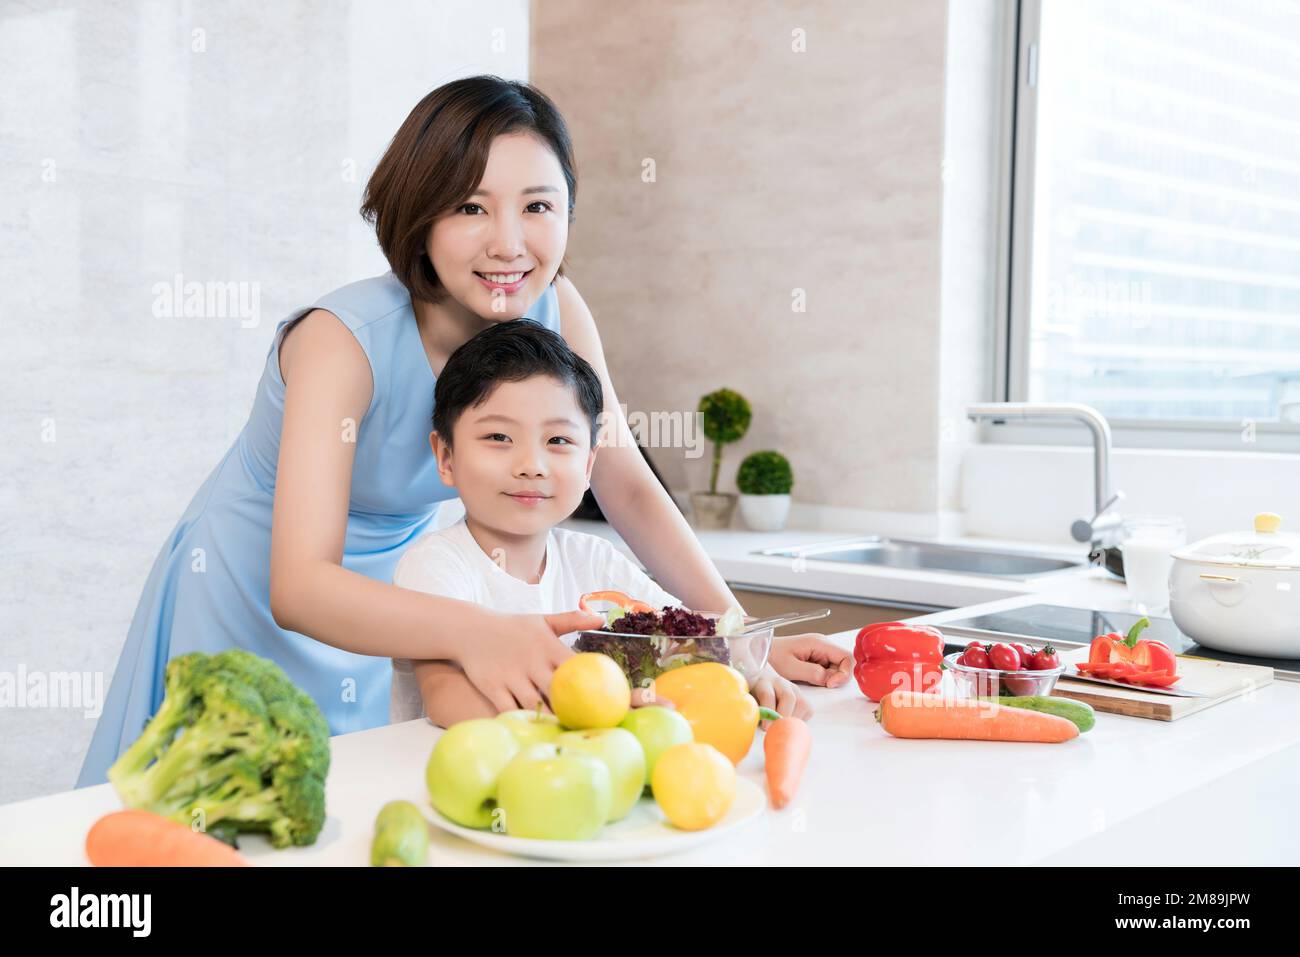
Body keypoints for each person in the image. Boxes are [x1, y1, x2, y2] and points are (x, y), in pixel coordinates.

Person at [78, 75, 848, 787]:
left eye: (538, 207)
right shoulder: (340, 341)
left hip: (398, 599)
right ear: (418, 214)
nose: (510, 244)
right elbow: (300, 583)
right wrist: (476, 632)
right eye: (471, 207)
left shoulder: (558, 308)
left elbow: (626, 485)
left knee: (365, 801)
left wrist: (735, 637)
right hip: (255, 585)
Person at [390, 320, 849, 726]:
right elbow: (446, 698)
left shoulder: (594, 560)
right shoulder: (436, 566)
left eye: (557, 439)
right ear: (445, 457)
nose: (531, 464)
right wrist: (596, 712)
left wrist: (758, 651)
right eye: (498, 437)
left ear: (589, 465)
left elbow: (685, 637)